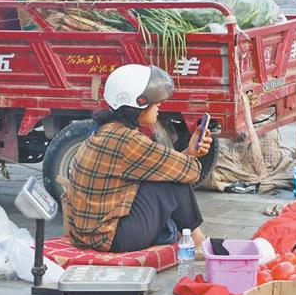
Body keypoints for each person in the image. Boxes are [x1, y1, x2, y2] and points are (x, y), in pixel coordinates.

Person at [68, 64, 212, 252]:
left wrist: (189, 153)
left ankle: (185, 236)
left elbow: (165, 164)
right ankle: (198, 241)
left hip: (88, 234)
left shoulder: (110, 131)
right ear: (139, 103)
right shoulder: (129, 142)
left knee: (168, 173)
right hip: (111, 237)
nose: (159, 105)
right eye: (155, 101)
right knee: (174, 180)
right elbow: (189, 172)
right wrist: (192, 156)